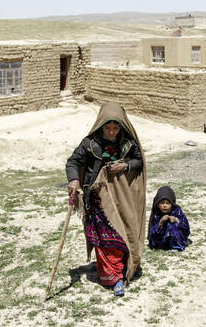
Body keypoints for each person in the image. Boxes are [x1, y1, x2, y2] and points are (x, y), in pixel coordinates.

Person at [66, 102, 146, 297]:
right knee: (105, 238)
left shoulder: (128, 143)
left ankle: (124, 266)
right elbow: (73, 162)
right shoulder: (89, 143)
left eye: (115, 128)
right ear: (101, 126)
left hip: (121, 198)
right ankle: (114, 276)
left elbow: (139, 161)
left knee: (123, 232)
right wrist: (74, 180)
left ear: (121, 127)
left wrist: (124, 167)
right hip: (96, 200)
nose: (111, 132)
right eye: (108, 128)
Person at [148, 186, 190, 252]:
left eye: (167, 203)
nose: (164, 205)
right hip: (161, 241)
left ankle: (175, 246)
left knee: (173, 225)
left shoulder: (177, 211)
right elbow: (152, 231)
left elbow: (186, 227)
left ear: (172, 204)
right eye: (162, 203)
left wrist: (176, 220)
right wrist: (161, 223)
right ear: (157, 204)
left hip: (176, 240)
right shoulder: (156, 214)